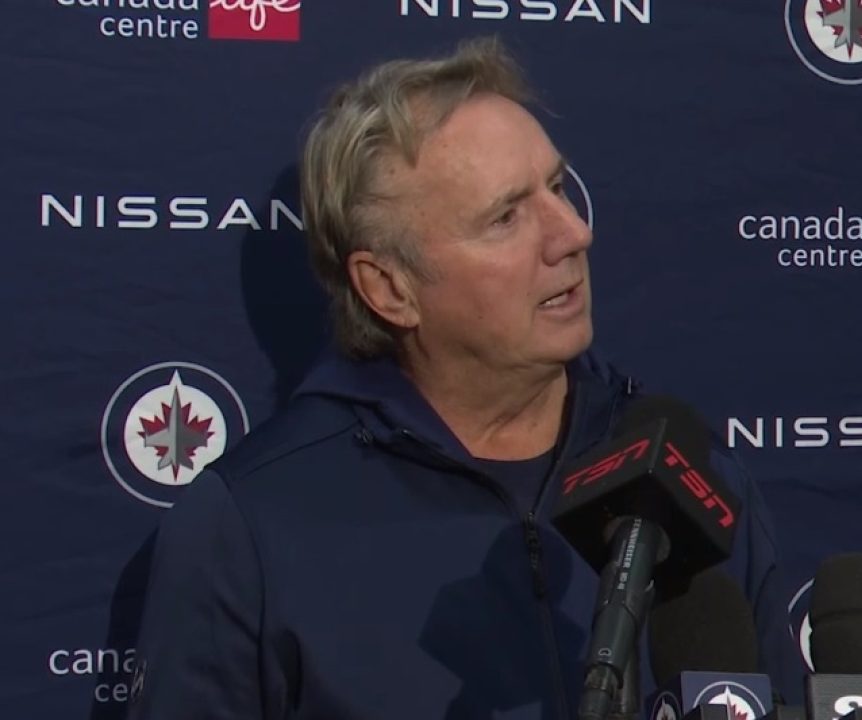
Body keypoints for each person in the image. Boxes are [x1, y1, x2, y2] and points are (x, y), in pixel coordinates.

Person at [127, 36, 807, 719]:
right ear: (390, 288)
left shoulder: (689, 476)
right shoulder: (251, 529)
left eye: (557, 188)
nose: (573, 233)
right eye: (506, 217)